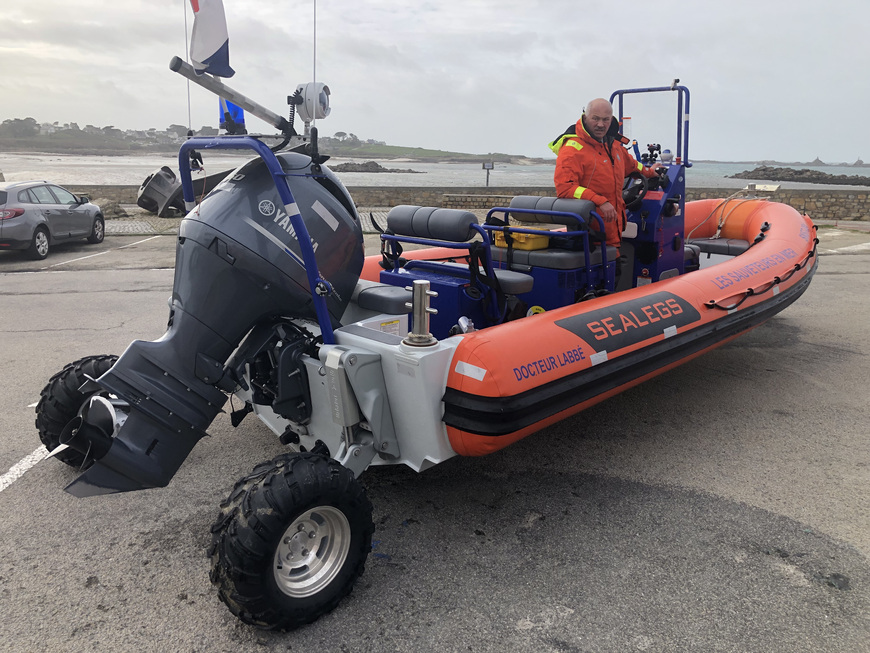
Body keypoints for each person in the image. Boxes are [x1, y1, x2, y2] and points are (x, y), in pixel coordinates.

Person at [549, 98, 663, 250]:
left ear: (611, 120)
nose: (600, 124)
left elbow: (632, 165)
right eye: (595, 119)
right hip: (590, 235)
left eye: (605, 120)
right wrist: (600, 201)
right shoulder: (572, 150)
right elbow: (566, 188)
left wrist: (649, 172)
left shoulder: (613, 146)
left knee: (616, 267)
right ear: (585, 117)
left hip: (613, 231)